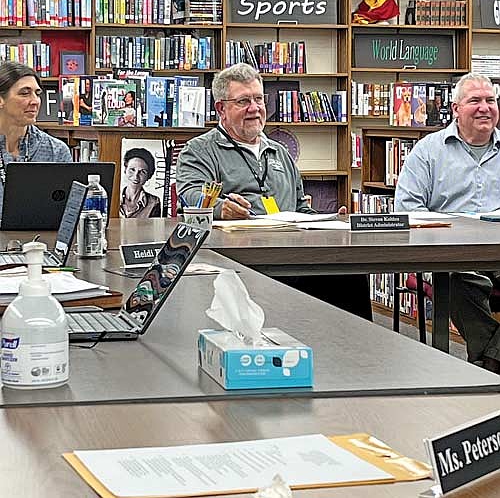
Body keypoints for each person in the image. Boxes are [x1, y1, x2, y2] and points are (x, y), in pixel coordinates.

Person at [176, 63, 372, 320]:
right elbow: (190, 194)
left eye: (259, 99)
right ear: (221, 109)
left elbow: (300, 208)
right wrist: (220, 208)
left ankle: (356, 353)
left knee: (349, 271)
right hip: (240, 260)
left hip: (290, 255)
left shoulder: (280, 152)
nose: (255, 108)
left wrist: (327, 220)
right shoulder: (199, 150)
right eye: (243, 101)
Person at [395, 72, 500, 373]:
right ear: (455, 109)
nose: (484, 107)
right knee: (457, 277)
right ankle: (491, 358)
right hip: (451, 253)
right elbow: (408, 208)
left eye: (490, 100)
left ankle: (490, 360)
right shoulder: (428, 151)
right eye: (474, 101)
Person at [0, 60, 72, 215]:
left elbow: (67, 213)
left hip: (41, 238)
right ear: (1, 100)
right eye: (25, 93)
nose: (35, 101)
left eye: (37, 94)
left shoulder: (57, 151)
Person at [120, 147, 161, 218]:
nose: (136, 176)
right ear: (125, 170)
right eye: (132, 169)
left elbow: (153, 229)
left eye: (142, 172)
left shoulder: (154, 202)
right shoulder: (112, 198)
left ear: (148, 176)